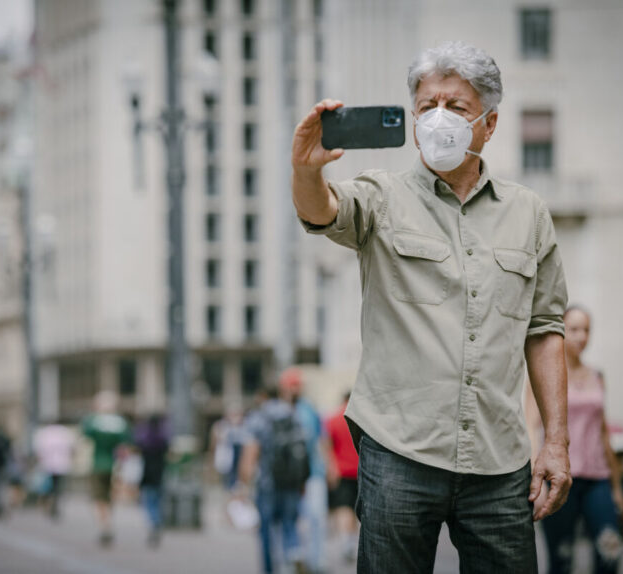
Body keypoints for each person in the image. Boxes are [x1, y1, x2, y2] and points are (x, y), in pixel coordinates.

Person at [291, 40, 571, 573]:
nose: (438, 119)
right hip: (399, 452)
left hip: (500, 459)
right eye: (426, 107)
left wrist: (555, 443)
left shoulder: (529, 213)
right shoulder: (380, 196)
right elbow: (323, 210)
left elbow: (545, 327)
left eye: (457, 107)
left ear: (489, 123)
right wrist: (306, 170)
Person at [531, 306, 623, 573]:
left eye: (586, 330)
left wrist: (616, 487)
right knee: (561, 560)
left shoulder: (597, 376)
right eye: (574, 329)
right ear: (561, 330)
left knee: (610, 551)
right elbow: (530, 426)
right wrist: (536, 483)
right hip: (560, 480)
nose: (581, 336)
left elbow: (603, 432)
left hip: (598, 478)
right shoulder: (544, 374)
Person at [238, 386, 307, 574]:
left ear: (262, 396)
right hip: (292, 482)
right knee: (290, 523)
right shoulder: (293, 415)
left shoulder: (258, 418)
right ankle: (293, 555)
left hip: (267, 483)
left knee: (267, 529)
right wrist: (302, 481)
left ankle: (272, 568)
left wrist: (243, 485)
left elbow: (250, 454)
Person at [279, 367, 330, 574]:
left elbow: (322, 439)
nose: (295, 389)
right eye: (291, 386)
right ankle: (292, 559)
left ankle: (316, 561)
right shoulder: (279, 410)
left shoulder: (309, 409)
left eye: (297, 385)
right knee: (289, 519)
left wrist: (329, 465)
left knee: (316, 518)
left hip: (312, 473)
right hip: (287, 477)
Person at [81, 390, 129, 547]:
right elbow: (125, 446)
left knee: (99, 498)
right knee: (109, 497)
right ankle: (108, 522)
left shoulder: (94, 421)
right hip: (115, 466)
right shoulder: (120, 423)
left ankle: (104, 525)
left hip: (98, 464)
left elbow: (85, 435)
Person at [325, 392, 360, 564]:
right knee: (355, 509)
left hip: (342, 471)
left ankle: (347, 541)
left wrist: (331, 469)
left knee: (343, 508)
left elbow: (327, 446)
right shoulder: (360, 418)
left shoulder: (333, 419)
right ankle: (352, 541)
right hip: (361, 471)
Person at [133, 414, 170, 547]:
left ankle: (153, 523)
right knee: (157, 501)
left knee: (148, 503)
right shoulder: (163, 439)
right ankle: (157, 521)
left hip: (147, 475)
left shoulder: (144, 440)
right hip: (160, 475)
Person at [33, 419, 75, 519]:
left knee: (48, 487)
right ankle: (54, 505)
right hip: (62, 465)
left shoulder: (44, 433)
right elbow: (72, 449)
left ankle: (49, 504)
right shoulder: (65, 432)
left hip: (47, 465)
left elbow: (38, 450)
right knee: (58, 487)